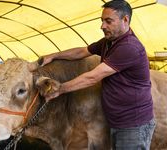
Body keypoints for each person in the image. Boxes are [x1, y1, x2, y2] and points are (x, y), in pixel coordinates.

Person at [41, 0, 155, 149]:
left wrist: (60, 89)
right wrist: (54, 56)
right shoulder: (109, 41)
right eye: (102, 21)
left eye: (108, 21)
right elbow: (82, 51)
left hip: (132, 124)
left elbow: (92, 77)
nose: (102, 26)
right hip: (117, 119)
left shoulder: (129, 47)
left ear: (125, 19)